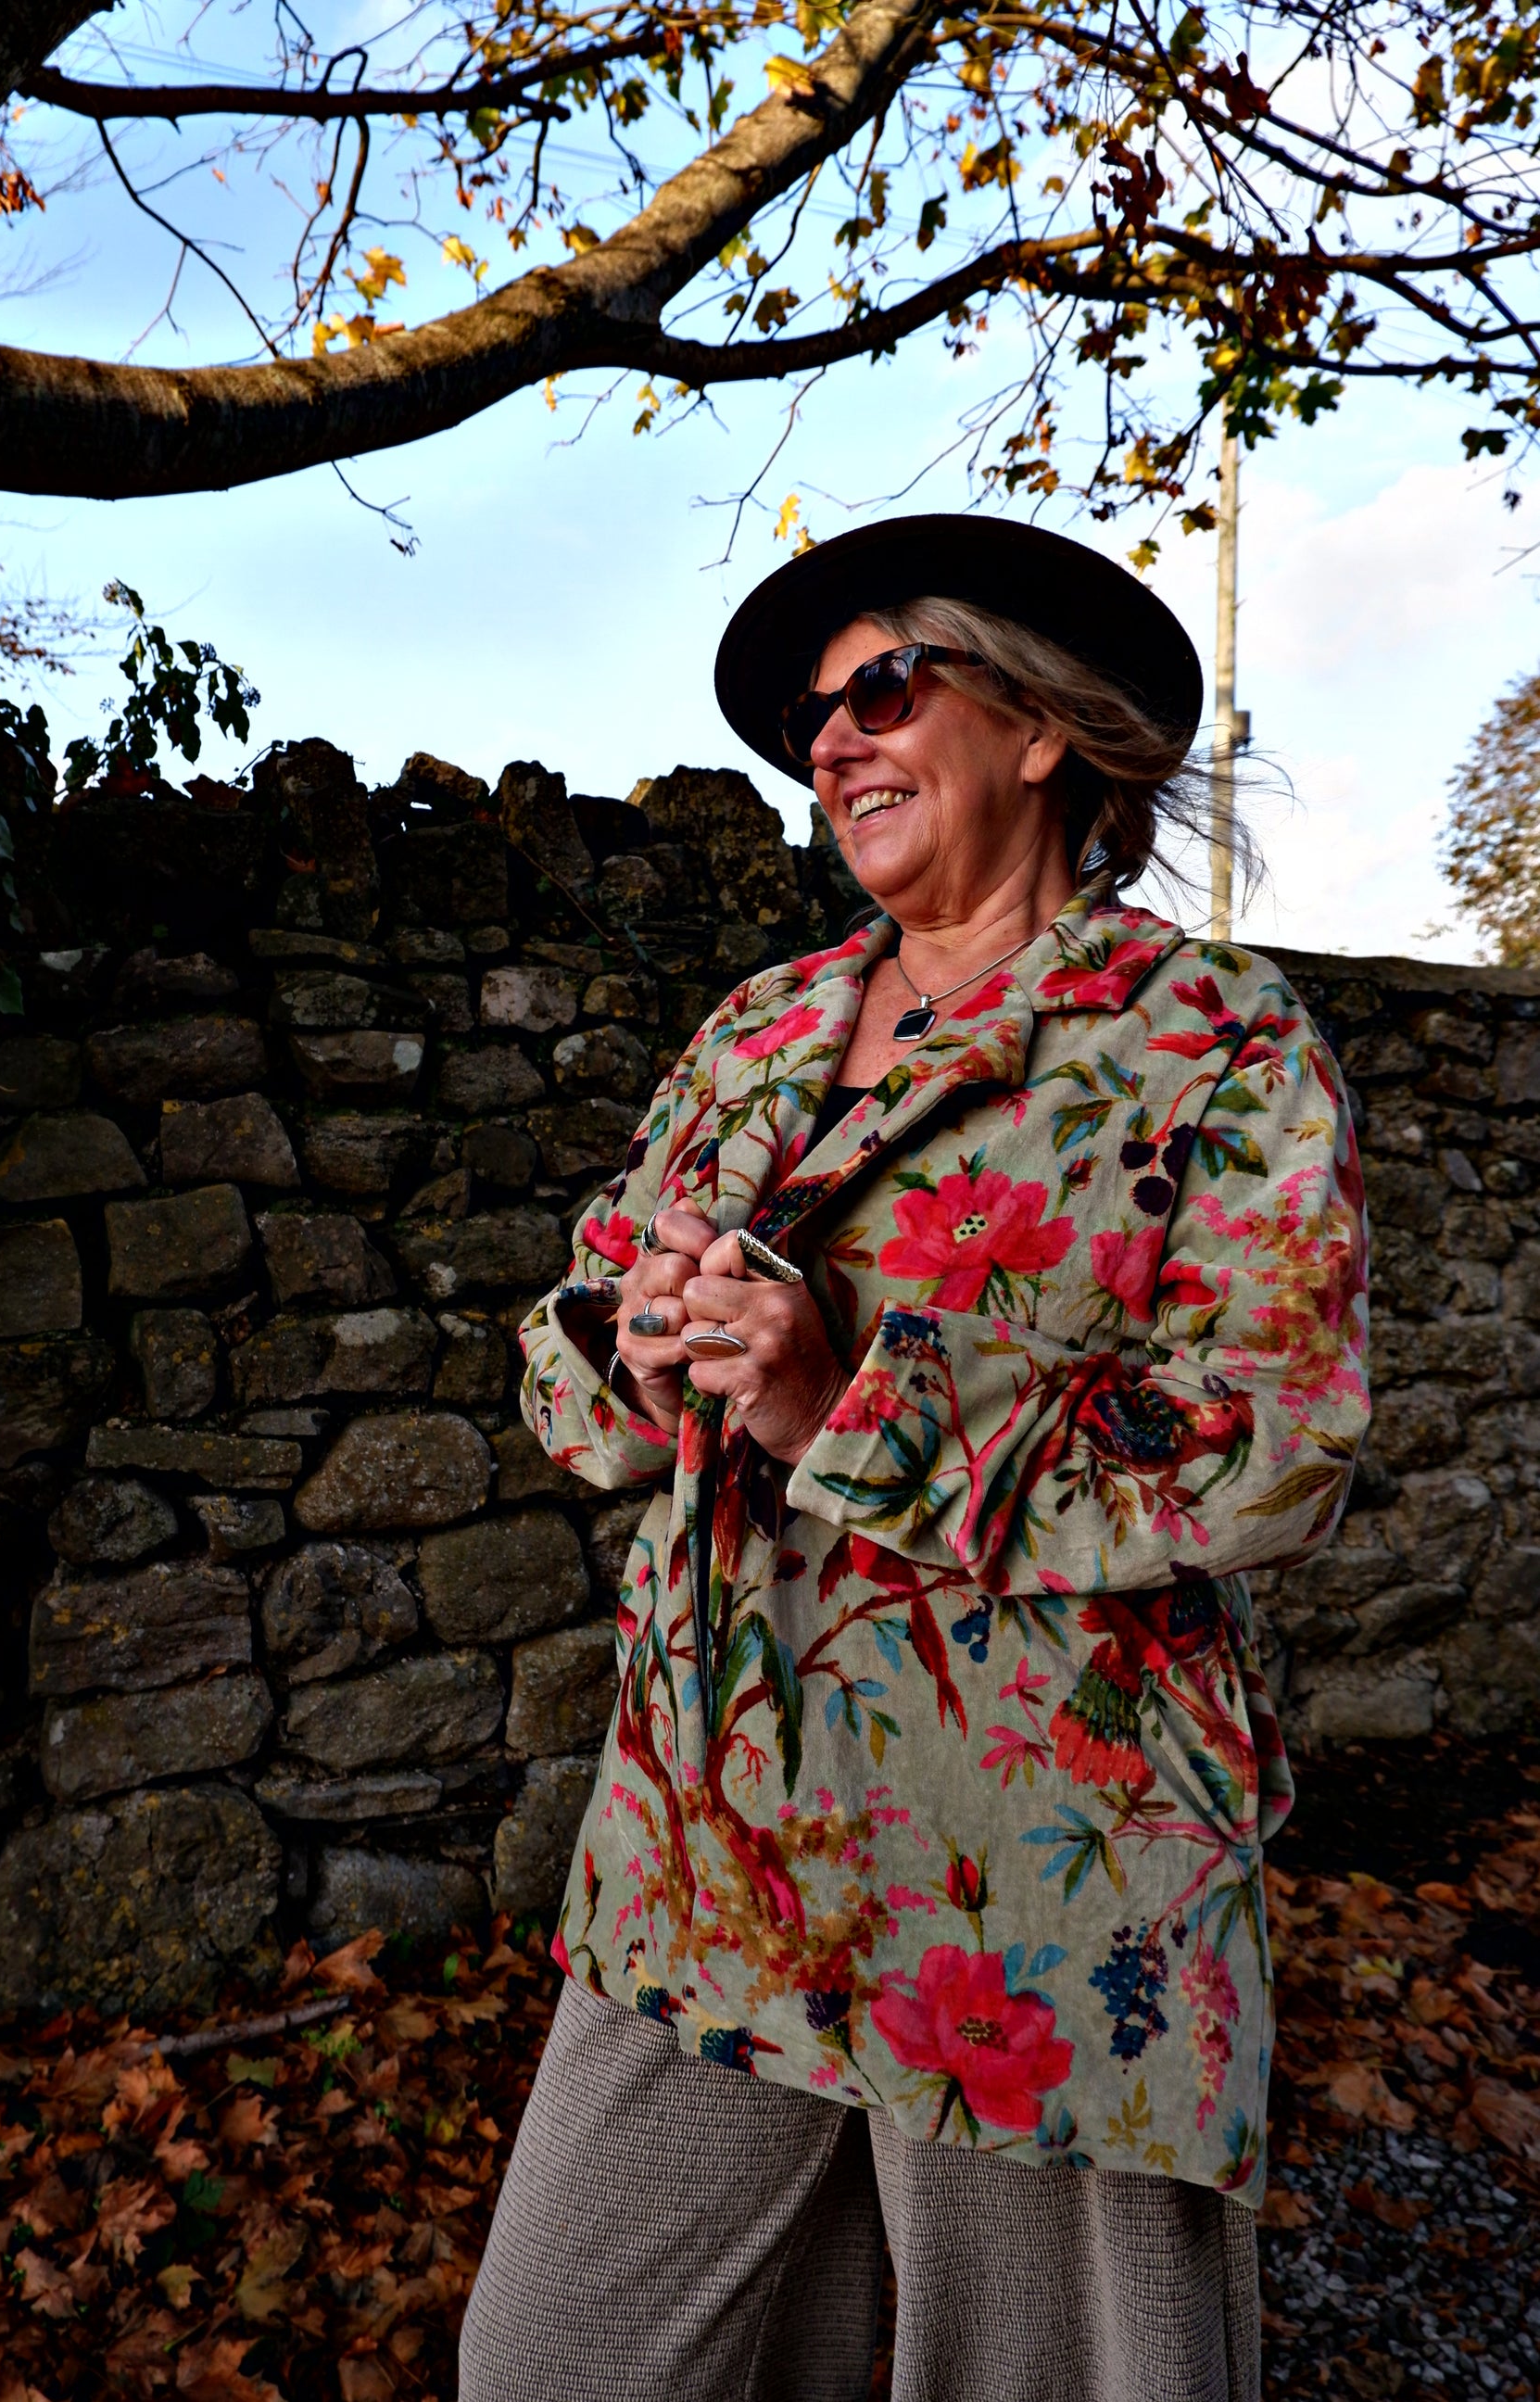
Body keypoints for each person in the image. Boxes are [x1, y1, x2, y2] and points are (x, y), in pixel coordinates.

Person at [459, 515, 1369, 2402]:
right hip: (708, 1836)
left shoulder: (1213, 1042)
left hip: (1039, 1870)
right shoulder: (761, 1029)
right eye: (815, 719)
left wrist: (846, 1395)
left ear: (1036, 726)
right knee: (556, 2354)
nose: (831, 744)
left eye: (881, 687)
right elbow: (583, 1360)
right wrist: (636, 1356)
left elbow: (1271, 1449)